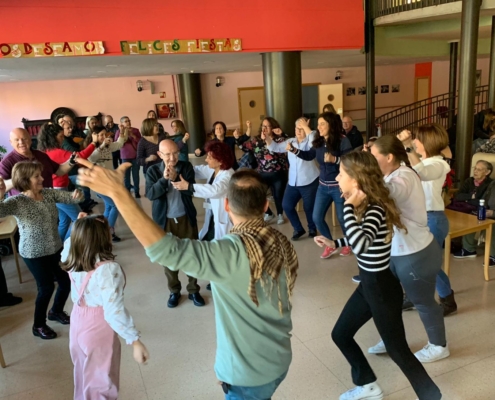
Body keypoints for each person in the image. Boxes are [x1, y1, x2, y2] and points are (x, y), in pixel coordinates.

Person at [76, 162, 298, 400]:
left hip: (248, 376)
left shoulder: (228, 253)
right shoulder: (280, 242)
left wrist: (119, 193)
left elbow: (166, 250)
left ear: (226, 204)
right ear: (266, 206)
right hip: (279, 360)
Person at [314, 151, 442, 400]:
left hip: (382, 289)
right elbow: (361, 239)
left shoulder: (372, 208)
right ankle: (368, 385)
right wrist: (335, 241)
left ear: (356, 179)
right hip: (370, 286)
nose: (337, 178)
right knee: (340, 334)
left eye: (341, 174)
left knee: (398, 351)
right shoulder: (365, 206)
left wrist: (348, 208)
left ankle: (432, 396)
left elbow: (360, 245)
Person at [368, 135, 450, 364]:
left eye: (374, 156)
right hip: (395, 251)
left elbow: (385, 193)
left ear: (389, 156)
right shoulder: (390, 175)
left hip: (415, 253)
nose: (371, 161)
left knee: (423, 301)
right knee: (391, 299)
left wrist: (359, 179)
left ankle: (439, 346)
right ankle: (392, 339)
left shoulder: (404, 176)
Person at [62, 215, 148, 399]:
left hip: (77, 320)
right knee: (102, 380)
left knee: (83, 372)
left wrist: (78, 227)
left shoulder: (72, 256)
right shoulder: (108, 269)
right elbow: (113, 312)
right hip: (98, 327)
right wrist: (134, 341)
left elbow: (68, 244)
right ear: (102, 238)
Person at [0, 161, 83, 339]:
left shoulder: (48, 194)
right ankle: (38, 325)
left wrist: (78, 193)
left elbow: (73, 198)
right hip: (33, 253)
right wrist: (0, 195)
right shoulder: (17, 201)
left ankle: (55, 311)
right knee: (45, 288)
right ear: (24, 179)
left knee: (65, 282)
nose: (42, 178)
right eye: (36, 176)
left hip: (54, 247)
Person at [397, 124, 457, 316]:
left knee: (427, 264)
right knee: (417, 261)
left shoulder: (438, 164)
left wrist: (407, 146)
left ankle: (447, 301)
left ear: (427, 143)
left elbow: (422, 172)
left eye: (417, 139)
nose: (414, 142)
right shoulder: (420, 160)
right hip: (418, 218)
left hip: (433, 219)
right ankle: (415, 297)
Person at [145, 140, 204, 308]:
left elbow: (190, 189)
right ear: (160, 155)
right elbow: (151, 194)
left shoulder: (186, 167)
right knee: (168, 258)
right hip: (165, 222)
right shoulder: (153, 171)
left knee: (192, 254)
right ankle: (174, 291)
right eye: (168, 154)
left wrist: (176, 177)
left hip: (186, 218)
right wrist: (164, 180)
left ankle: (193, 290)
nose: (172, 157)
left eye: (175, 153)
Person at [172, 141, 234, 291]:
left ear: (220, 160)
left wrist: (189, 187)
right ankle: (217, 278)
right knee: (211, 247)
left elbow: (214, 190)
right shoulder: (214, 170)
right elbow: (195, 170)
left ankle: (223, 282)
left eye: (209, 157)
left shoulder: (228, 174)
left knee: (221, 251)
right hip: (213, 217)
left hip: (223, 219)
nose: (206, 159)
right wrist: (175, 163)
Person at [290, 112, 353, 259]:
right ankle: (329, 244)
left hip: (339, 186)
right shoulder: (318, 141)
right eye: (318, 124)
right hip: (323, 187)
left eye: (322, 124)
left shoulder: (343, 140)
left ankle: (347, 243)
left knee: (342, 218)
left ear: (331, 124)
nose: (319, 127)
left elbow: (350, 162)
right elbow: (309, 155)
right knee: (316, 217)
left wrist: (335, 159)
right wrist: (294, 150)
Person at [37, 123, 97, 240]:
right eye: (60, 136)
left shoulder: (46, 151)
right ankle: (67, 244)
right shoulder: (56, 152)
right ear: (52, 138)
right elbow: (80, 156)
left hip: (55, 190)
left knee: (64, 221)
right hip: (59, 192)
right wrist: (94, 143)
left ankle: (60, 246)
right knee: (80, 219)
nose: (63, 139)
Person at [265, 117, 319, 240]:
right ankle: (298, 229)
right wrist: (267, 138)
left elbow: (313, 140)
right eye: (296, 128)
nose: (298, 131)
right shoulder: (291, 141)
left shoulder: (311, 140)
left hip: (309, 180)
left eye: (301, 129)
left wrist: (306, 126)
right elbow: (276, 147)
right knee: (287, 205)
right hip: (293, 182)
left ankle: (312, 228)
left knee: (308, 207)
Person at [240, 117, 289, 225]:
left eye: (267, 126)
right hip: (262, 173)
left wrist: (282, 134)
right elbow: (243, 147)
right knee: (258, 194)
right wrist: (240, 137)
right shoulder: (257, 140)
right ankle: (269, 213)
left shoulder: (279, 139)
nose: (265, 128)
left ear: (273, 127)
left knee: (278, 195)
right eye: (263, 126)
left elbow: (289, 143)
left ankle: (280, 214)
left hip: (279, 172)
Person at [0, 128, 75, 196]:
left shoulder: (41, 155)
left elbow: (59, 171)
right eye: (17, 140)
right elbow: (3, 186)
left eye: (24, 138)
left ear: (30, 139)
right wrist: (20, 178)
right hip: (23, 207)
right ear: (11, 142)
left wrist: (71, 161)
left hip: (47, 200)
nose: (21, 142)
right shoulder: (6, 162)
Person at [88, 128, 128, 242]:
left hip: (109, 181)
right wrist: (101, 146)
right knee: (116, 205)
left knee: (110, 206)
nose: (104, 137)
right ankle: (108, 232)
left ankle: (102, 231)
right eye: (101, 135)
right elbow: (91, 158)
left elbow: (119, 144)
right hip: (99, 183)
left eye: (105, 134)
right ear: (94, 136)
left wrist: (121, 133)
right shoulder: (92, 148)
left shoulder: (108, 146)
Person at [115, 116, 142, 198]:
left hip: (135, 156)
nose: (128, 122)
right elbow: (116, 143)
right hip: (125, 156)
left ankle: (137, 191)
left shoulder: (136, 130)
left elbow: (140, 142)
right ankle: (127, 191)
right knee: (126, 175)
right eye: (125, 121)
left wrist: (133, 135)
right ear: (122, 123)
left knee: (136, 175)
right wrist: (122, 133)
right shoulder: (119, 131)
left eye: (129, 121)